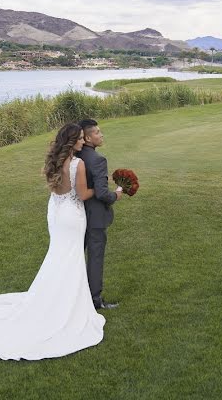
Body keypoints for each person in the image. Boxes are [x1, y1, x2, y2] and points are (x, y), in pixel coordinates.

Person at [0, 123, 106, 360]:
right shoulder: (77, 164)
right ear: (72, 142)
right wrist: (103, 189)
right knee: (70, 257)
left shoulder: (55, 161)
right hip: (72, 215)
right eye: (80, 139)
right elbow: (82, 195)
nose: (83, 142)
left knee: (58, 255)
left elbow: (59, 190)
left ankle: (55, 297)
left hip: (55, 212)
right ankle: (66, 306)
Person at [77, 118, 123, 310]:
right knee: (95, 258)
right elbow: (102, 193)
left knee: (76, 255)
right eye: (97, 132)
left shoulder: (76, 156)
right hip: (95, 217)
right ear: (87, 138)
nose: (101, 134)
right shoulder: (97, 160)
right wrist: (116, 195)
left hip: (77, 214)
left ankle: (74, 294)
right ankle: (95, 300)